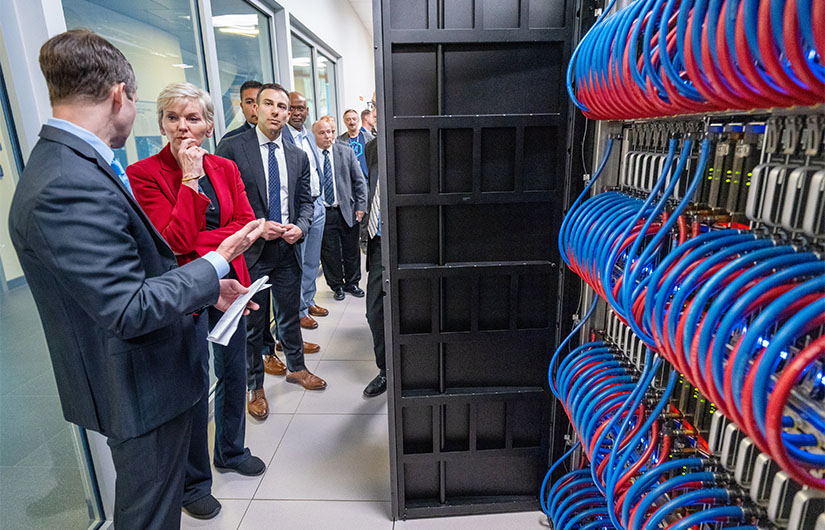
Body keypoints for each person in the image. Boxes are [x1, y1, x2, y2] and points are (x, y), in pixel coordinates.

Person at [8, 29, 263, 530]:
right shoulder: (67, 181)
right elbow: (129, 305)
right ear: (121, 94)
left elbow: (143, 266)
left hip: (149, 373)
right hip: (136, 383)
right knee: (147, 516)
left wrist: (210, 281)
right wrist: (215, 264)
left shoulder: (76, 165)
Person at [126, 82, 266, 520]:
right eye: (173, 117)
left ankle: (230, 449)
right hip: (180, 292)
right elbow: (169, 243)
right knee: (191, 383)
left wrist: (208, 248)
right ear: (162, 124)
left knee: (233, 370)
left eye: (193, 118)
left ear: (208, 124)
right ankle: (193, 482)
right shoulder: (142, 174)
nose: (183, 127)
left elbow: (246, 226)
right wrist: (188, 179)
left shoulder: (225, 167)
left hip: (229, 285)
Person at [216, 83, 327, 421]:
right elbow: (222, 206)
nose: (277, 111)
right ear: (256, 109)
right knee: (254, 323)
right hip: (252, 252)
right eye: (269, 104)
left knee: (290, 313)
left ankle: (296, 367)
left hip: (287, 249)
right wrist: (255, 227)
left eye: (282, 106)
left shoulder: (297, 154)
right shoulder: (233, 149)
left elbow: (305, 202)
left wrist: (301, 227)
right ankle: (256, 387)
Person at [283, 91, 329, 330]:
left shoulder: (310, 136)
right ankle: (298, 310)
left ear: (307, 110)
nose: (297, 112)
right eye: (292, 108)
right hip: (299, 209)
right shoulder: (281, 137)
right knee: (298, 263)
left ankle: (308, 300)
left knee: (312, 259)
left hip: (317, 203)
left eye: (301, 108)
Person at [313, 115, 368, 301]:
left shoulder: (345, 151)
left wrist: (361, 206)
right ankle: (337, 285)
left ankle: (353, 282)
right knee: (330, 252)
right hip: (323, 212)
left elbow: (359, 181)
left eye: (330, 132)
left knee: (351, 249)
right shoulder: (309, 155)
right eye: (322, 133)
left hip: (347, 210)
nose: (328, 136)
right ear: (314, 136)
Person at [361, 111, 386, 397]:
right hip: (378, 240)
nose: (377, 112)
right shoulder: (371, 148)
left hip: (412, 240)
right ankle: (385, 370)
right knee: (374, 312)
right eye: (374, 105)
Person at [338, 108, 373, 179]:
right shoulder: (340, 140)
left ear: (358, 121)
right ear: (344, 122)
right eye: (348, 119)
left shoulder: (369, 138)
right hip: (349, 181)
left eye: (354, 119)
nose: (352, 122)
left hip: (366, 180)